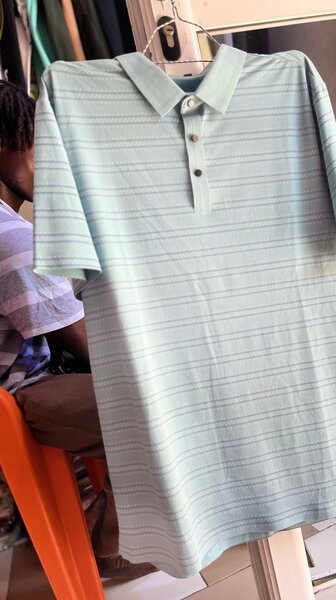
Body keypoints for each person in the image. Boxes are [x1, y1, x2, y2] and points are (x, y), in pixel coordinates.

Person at [0, 80, 156, 580]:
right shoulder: (10, 236)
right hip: (22, 396)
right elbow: (88, 345)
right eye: (35, 143)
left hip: (22, 385)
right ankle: (107, 541)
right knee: (156, 401)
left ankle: (99, 523)